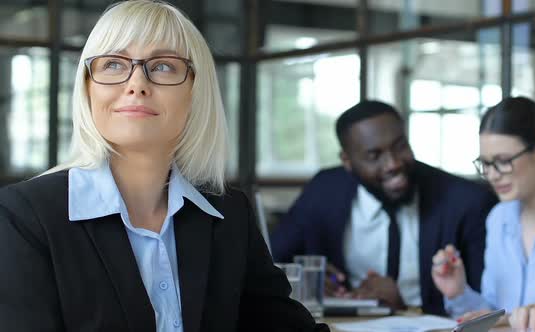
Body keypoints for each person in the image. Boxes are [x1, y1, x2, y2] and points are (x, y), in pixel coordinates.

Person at [0, 1, 328, 331]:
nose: (136, 84)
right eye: (113, 64)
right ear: (87, 88)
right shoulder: (24, 217)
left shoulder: (229, 214)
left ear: (196, 92)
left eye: (163, 66)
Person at [270, 100, 497, 315]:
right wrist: (309, 281)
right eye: (374, 155)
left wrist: (403, 305)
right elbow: (271, 262)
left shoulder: (466, 202)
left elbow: (486, 304)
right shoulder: (324, 190)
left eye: (400, 146)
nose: (393, 163)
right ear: (347, 160)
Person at [432, 97, 535, 323]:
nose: (493, 175)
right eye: (486, 164)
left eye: (503, 161)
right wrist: (458, 293)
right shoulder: (499, 218)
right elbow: (499, 317)